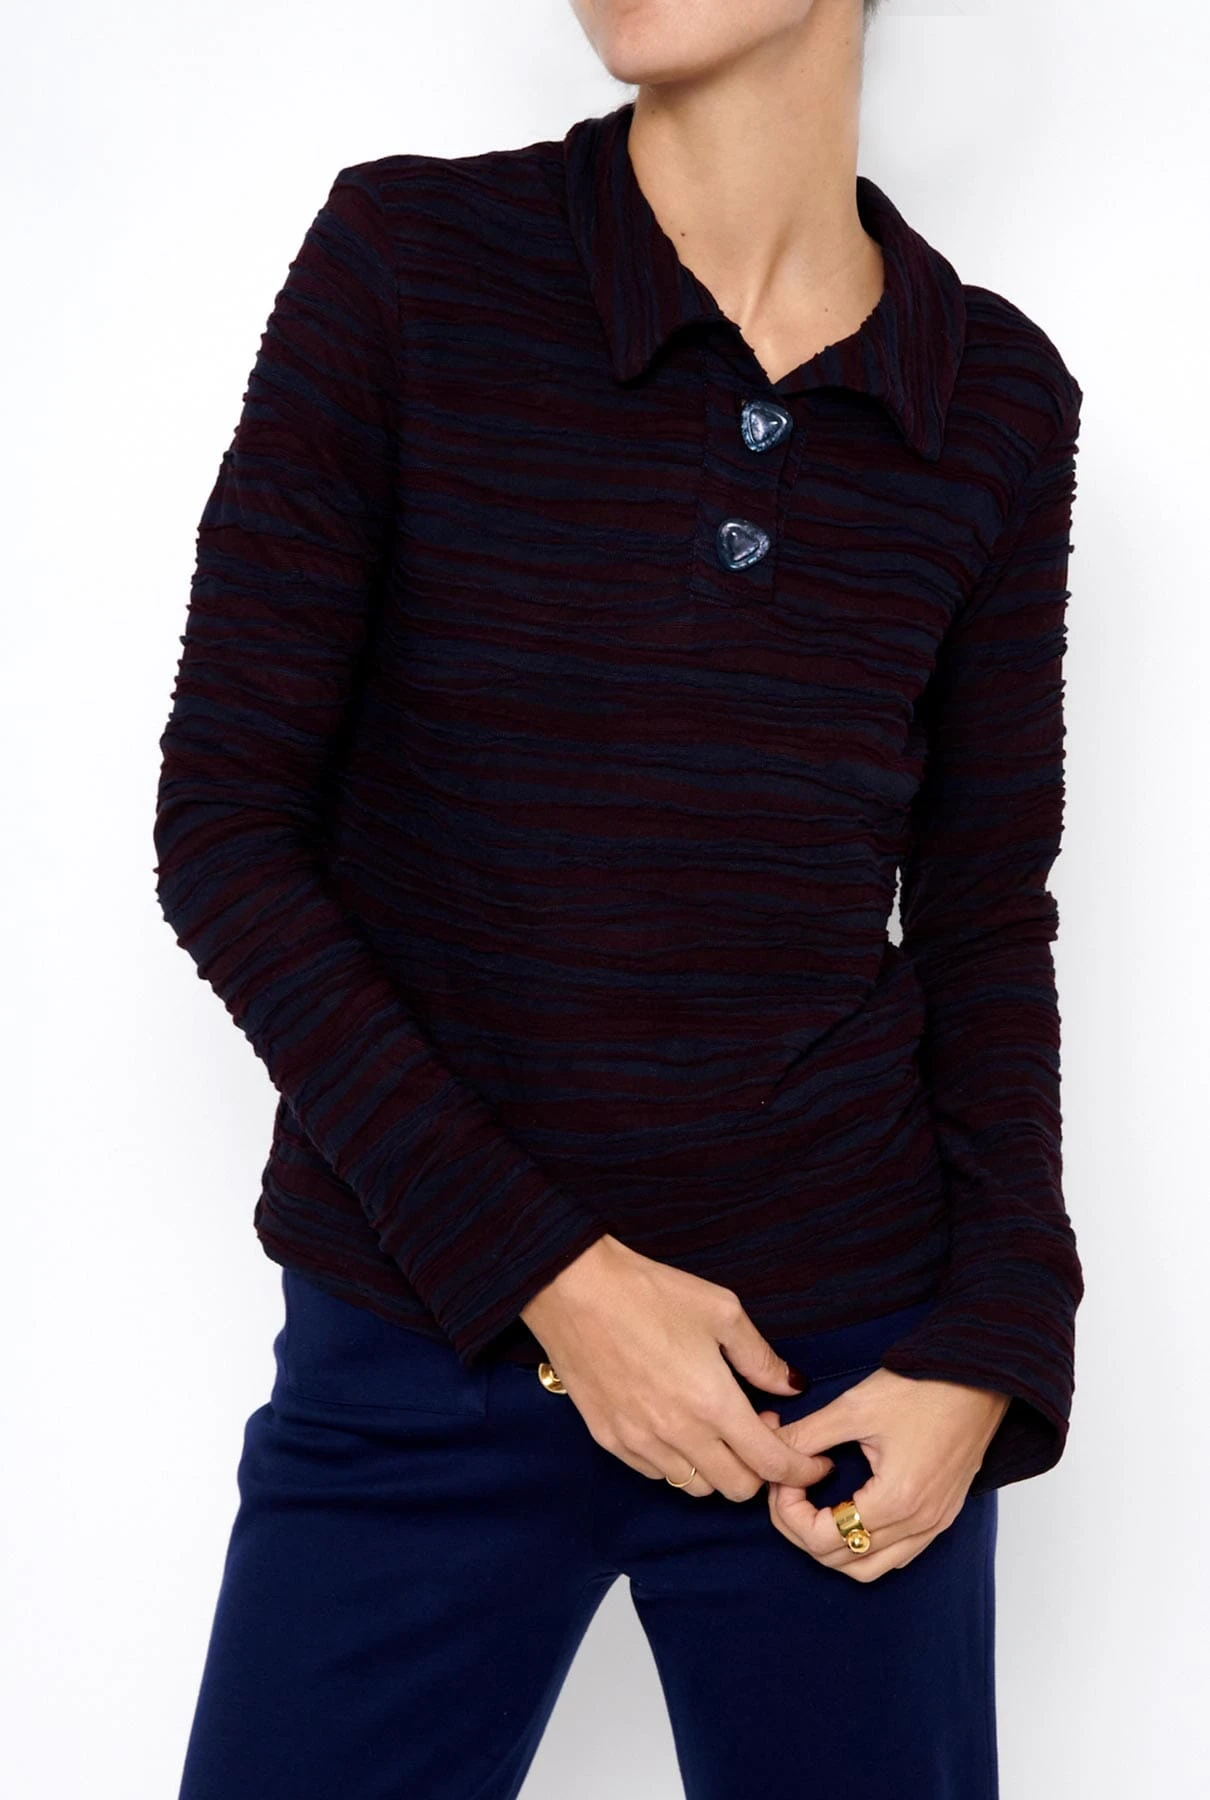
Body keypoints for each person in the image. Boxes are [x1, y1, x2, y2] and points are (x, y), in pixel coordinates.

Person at [155, 1, 1084, 1794]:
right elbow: (227, 827)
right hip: (424, 1350)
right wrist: (555, 1281)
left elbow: (985, 922)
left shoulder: (992, 396)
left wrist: (992, 1340)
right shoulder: (409, 262)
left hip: (845, 1390)